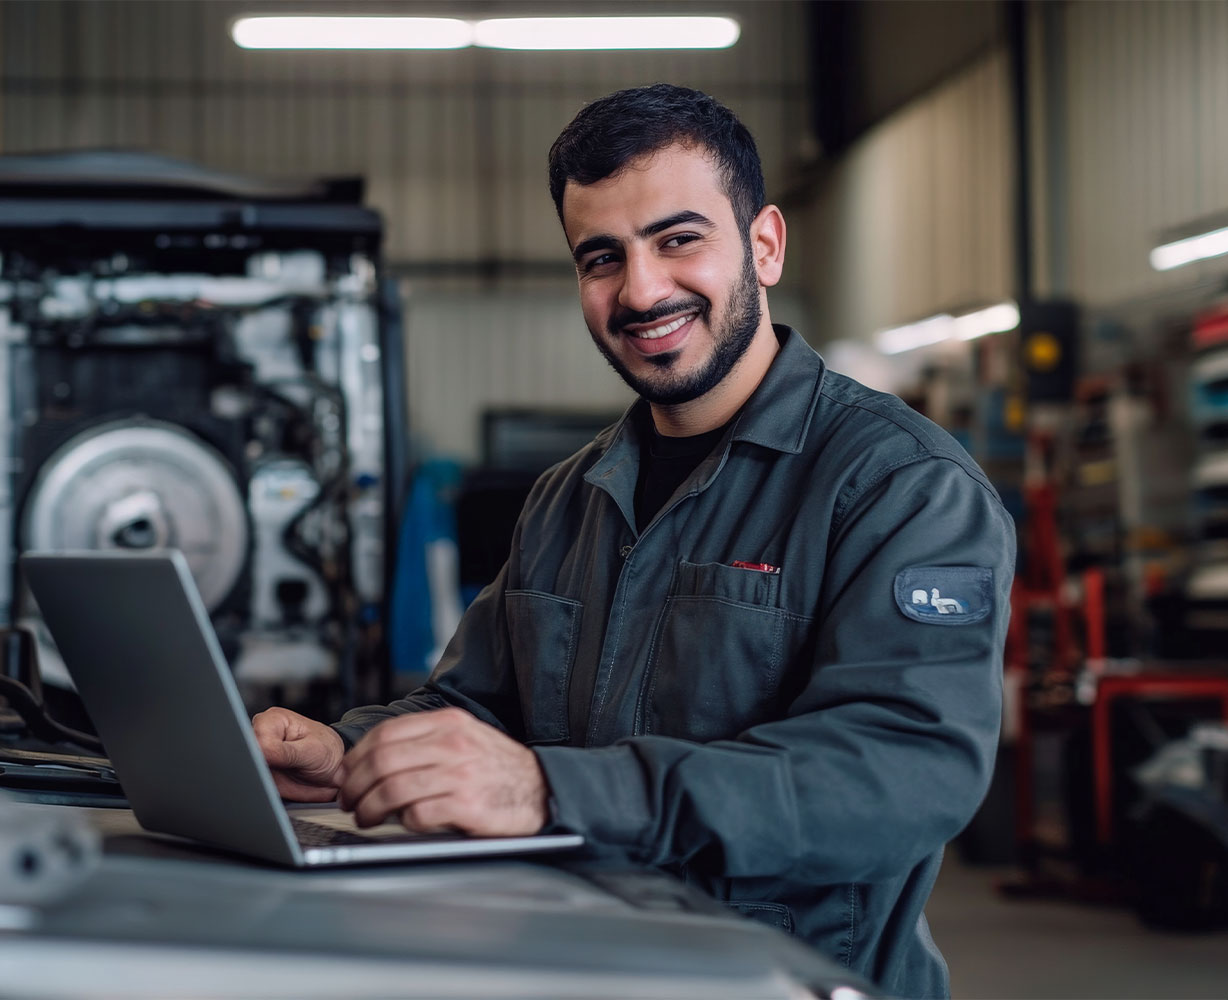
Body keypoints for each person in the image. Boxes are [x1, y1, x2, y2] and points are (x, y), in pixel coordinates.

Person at [253, 84, 1015, 998]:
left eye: (678, 239)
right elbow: (480, 706)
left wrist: (553, 792)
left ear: (764, 245)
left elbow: (900, 774)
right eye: (601, 257)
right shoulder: (567, 497)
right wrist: (350, 756)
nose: (641, 289)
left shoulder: (901, 486)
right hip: (577, 969)